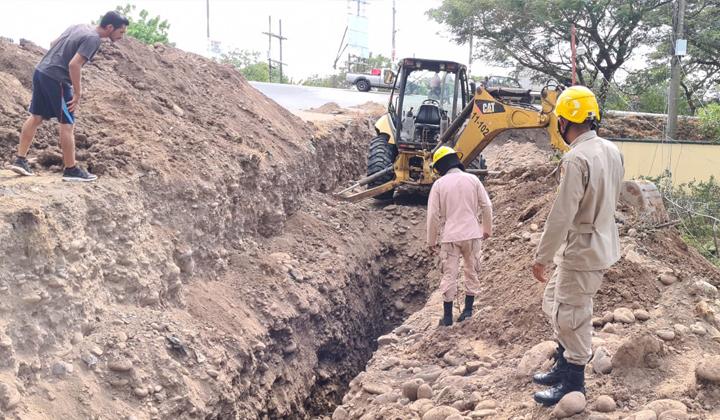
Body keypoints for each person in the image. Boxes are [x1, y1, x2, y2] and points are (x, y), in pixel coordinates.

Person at [531, 86, 624, 406]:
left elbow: (562, 214)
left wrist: (541, 256)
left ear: (564, 122)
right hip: (598, 241)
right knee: (554, 301)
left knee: (572, 315)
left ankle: (574, 384)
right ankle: (563, 361)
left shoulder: (576, 158)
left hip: (582, 247)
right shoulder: (612, 150)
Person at [8, 11, 128, 182]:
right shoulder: (93, 38)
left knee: (36, 117)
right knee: (67, 124)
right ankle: (71, 169)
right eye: (121, 32)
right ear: (110, 27)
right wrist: (78, 92)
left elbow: (53, 43)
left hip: (41, 71)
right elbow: (74, 64)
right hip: (57, 80)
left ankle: (20, 160)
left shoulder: (79, 26)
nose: (122, 36)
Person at [427, 146, 492, 327]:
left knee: (450, 274)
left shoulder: (439, 185)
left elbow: (433, 215)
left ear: (440, 166)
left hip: (450, 236)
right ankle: (468, 311)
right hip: (472, 234)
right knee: (472, 271)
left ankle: (447, 317)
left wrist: (431, 241)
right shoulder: (473, 180)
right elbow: (487, 206)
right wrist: (486, 229)